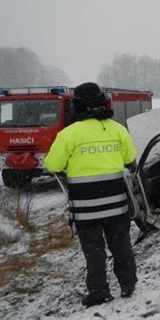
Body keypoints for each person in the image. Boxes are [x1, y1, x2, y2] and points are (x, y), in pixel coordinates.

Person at [44, 82, 137, 307]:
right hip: (117, 204)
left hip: (86, 209)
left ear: (77, 106)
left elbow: (52, 164)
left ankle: (98, 291)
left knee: (94, 251)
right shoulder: (118, 129)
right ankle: (128, 283)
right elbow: (130, 160)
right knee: (121, 244)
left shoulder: (69, 134)